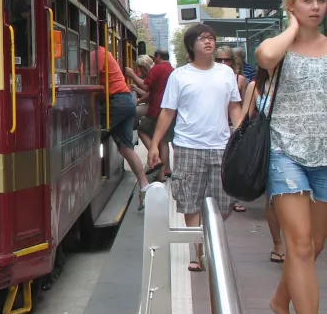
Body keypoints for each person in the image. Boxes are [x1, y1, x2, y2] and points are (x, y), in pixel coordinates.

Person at [255, 0, 327, 314]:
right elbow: (265, 59)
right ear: (291, 5)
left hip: (325, 157)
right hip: (285, 154)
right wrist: (293, 28)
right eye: (308, 1)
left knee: (313, 247)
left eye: (321, 1)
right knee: (298, 245)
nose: (316, 7)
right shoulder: (277, 47)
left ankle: (281, 301)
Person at [148, 24, 242, 271]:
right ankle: (197, 251)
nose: (208, 42)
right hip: (188, 147)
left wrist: (240, 132)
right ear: (191, 45)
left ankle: (210, 239)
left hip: (221, 147)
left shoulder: (225, 73)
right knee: (190, 201)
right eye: (202, 39)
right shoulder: (180, 76)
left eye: (211, 38)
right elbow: (168, 112)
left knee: (223, 203)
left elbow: (234, 106)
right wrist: (155, 144)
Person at [96, 46, 152, 210]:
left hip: (116, 101)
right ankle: (145, 187)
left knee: (89, 133)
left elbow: (85, 75)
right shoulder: (105, 53)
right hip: (125, 100)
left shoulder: (96, 53)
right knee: (126, 148)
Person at [239, 67, 284, 263]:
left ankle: (298, 242)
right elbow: (244, 117)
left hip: (303, 148)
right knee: (274, 198)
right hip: (270, 149)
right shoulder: (255, 86)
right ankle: (278, 244)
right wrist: (236, 144)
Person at [126, 49, 174, 182]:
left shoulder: (157, 69)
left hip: (156, 109)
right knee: (164, 141)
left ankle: (156, 159)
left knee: (142, 130)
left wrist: (132, 75)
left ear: (158, 57)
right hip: (169, 110)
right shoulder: (172, 70)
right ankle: (164, 172)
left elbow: (146, 87)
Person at [216, 45, 249, 212]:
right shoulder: (211, 77)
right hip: (217, 126)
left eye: (226, 59)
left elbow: (242, 103)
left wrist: (240, 127)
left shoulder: (240, 79)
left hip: (232, 125)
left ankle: (234, 198)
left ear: (232, 61)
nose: (223, 62)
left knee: (233, 163)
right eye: (219, 59)